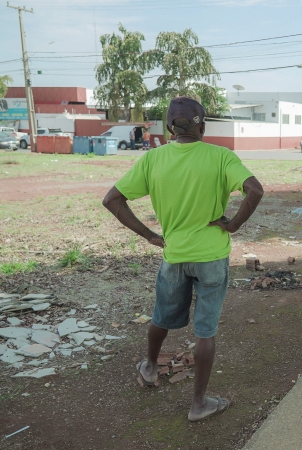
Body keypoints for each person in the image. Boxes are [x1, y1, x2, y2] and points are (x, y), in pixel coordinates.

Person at [102, 96, 264, 420]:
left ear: (169, 127)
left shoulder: (153, 159)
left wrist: (149, 235)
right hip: (212, 256)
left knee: (161, 316)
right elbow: (255, 190)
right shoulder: (220, 156)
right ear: (202, 126)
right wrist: (232, 225)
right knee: (205, 331)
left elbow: (112, 200)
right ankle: (198, 404)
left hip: (174, 255)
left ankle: (150, 368)